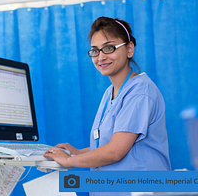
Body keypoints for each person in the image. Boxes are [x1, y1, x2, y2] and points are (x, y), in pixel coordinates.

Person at [44, 17, 171, 188]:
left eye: (109, 48)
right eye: (95, 51)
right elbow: (107, 143)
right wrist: (77, 152)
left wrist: (69, 160)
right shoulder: (109, 93)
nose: (101, 57)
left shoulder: (140, 91)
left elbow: (115, 151)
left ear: (130, 49)